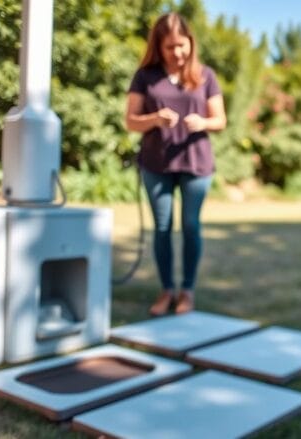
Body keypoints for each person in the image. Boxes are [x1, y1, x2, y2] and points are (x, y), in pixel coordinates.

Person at [125, 12, 226, 316]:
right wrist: (154, 119)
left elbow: (221, 120)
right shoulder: (145, 76)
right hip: (156, 164)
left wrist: (203, 122)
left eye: (182, 45)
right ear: (159, 46)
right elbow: (130, 121)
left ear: (190, 43)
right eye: (170, 47)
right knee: (163, 227)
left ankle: (187, 291)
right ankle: (166, 290)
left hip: (196, 163)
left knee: (191, 226)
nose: (178, 52)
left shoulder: (205, 75)